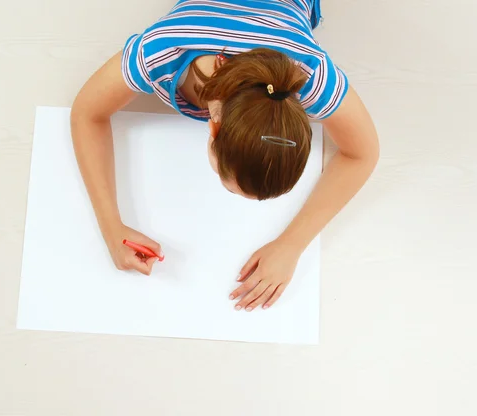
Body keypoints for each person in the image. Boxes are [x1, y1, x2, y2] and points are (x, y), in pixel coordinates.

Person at [70, 0, 379, 311]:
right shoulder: (163, 50)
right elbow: (86, 112)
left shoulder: (311, 74)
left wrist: (292, 244)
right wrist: (111, 227)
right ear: (214, 128)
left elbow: (364, 153)